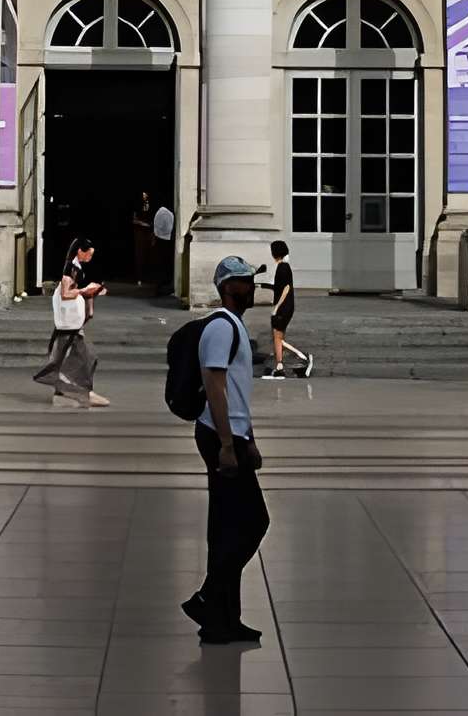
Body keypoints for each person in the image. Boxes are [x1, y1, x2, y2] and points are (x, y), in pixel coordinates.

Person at [184, 255, 268, 647]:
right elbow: (215, 388)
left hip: (231, 434)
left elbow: (236, 394)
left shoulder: (233, 326)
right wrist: (227, 445)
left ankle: (222, 621)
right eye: (244, 281)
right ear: (227, 288)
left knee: (227, 529)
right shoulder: (220, 327)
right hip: (218, 436)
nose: (251, 287)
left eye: (251, 280)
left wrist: (248, 439)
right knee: (254, 522)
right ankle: (207, 597)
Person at [35, 238, 109, 407]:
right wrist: (85, 291)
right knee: (85, 357)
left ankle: (69, 392)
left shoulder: (78, 269)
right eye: (88, 254)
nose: (90, 257)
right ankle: (80, 392)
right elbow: (65, 294)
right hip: (68, 324)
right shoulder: (70, 269)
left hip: (72, 323)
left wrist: (91, 296)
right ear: (80, 252)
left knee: (72, 357)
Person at [262, 239, 310, 380]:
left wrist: (276, 307)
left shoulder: (282, 267)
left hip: (284, 307)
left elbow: (286, 288)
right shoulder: (284, 267)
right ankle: (280, 366)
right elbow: (280, 287)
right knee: (278, 337)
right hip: (288, 306)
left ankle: (299, 357)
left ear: (274, 253)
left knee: (277, 337)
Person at [153, 196, 178, 290]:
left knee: (163, 264)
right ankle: (162, 285)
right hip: (164, 240)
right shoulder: (164, 212)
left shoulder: (163, 212)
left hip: (163, 239)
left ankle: (162, 284)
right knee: (163, 264)